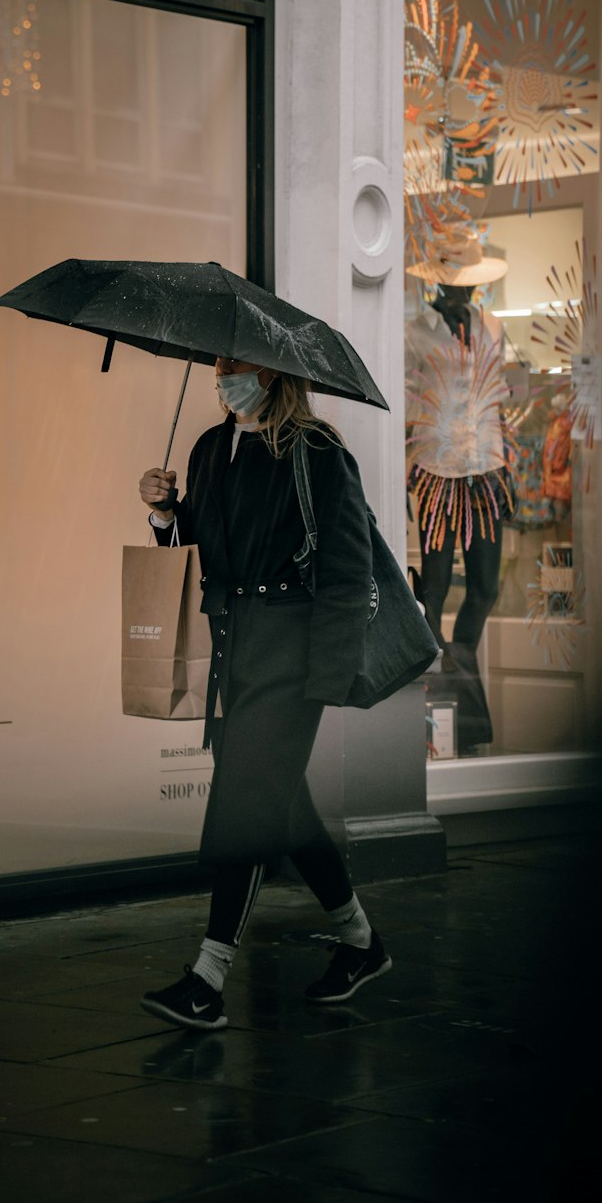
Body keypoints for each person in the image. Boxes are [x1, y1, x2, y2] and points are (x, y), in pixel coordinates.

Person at [135, 357, 390, 1031]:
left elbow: (347, 566)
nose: (222, 376)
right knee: (280, 805)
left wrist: (328, 675)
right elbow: (200, 551)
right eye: (218, 365)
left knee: (247, 802)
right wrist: (165, 513)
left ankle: (208, 976)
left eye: (237, 366)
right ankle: (362, 942)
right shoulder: (210, 447)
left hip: (294, 653)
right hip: (232, 650)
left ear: (274, 374)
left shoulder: (317, 451)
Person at [405, 230, 514, 751]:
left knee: (487, 585)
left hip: (486, 465)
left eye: (469, 285)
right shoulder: (415, 332)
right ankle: (441, 667)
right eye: (454, 285)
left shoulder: (491, 326)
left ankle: (460, 660)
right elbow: (405, 399)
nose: (463, 294)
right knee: (435, 585)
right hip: (437, 467)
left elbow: (502, 388)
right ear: (439, 286)